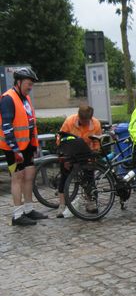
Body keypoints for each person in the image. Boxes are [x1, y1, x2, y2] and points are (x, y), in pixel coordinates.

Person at [0, 67, 48, 226]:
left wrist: (34, 146)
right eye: (28, 84)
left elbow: (29, 124)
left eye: (31, 84)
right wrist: (15, 150)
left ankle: (28, 209)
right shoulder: (8, 98)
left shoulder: (24, 99)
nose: (30, 87)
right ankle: (17, 215)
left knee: (29, 175)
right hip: (13, 148)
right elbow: (6, 127)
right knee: (17, 178)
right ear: (19, 82)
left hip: (26, 146)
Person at [56, 105, 102, 218]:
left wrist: (94, 156)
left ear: (90, 119)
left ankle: (90, 202)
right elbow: (60, 138)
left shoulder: (95, 124)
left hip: (86, 154)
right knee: (64, 176)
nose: (84, 123)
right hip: (70, 153)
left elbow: (97, 142)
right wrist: (64, 156)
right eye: (82, 121)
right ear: (78, 116)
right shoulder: (70, 121)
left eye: (86, 121)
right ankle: (61, 205)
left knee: (89, 177)